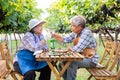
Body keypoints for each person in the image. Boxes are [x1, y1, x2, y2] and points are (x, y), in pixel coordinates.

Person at [52, 15, 99, 80]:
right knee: (61, 63)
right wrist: (58, 37)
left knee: (72, 61)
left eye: (73, 26)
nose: (72, 28)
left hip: (90, 60)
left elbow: (78, 49)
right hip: (82, 57)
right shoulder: (76, 32)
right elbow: (66, 39)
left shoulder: (86, 33)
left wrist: (70, 48)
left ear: (80, 26)